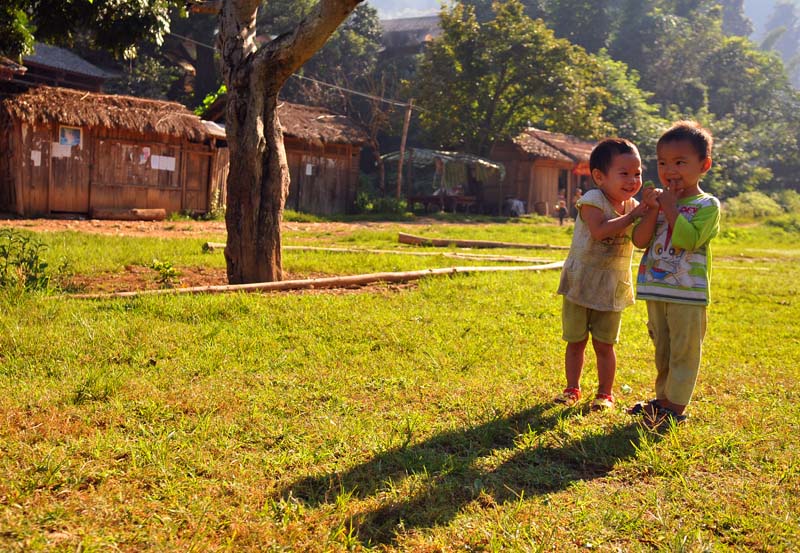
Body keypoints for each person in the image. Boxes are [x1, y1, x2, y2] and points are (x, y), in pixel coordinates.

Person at [629, 120, 720, 429]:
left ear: (703, 165)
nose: (670, 170)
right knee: (663, 350)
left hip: (687, 295)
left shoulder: (707, 205)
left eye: (680, 162)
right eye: (664, 163)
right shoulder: (660, 202)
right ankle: (663, 401)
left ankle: (676, 408)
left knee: (684, 350)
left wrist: (670, 207)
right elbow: (639, 241)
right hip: (657, 290)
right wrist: (651, 209)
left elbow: (688, 239)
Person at [555, 138, 651, 410]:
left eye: (638, 173)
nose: (633, 180)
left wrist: (653, 211)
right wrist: (635, 216)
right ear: (599, 176)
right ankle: (572, 388)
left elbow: (641, 239)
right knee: (576, 341)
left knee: (605, 344)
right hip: (581, 282)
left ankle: (604, 394)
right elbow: (599, 231)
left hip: (612, 285)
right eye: (624, 173)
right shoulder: (592, 200)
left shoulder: (633, 206)